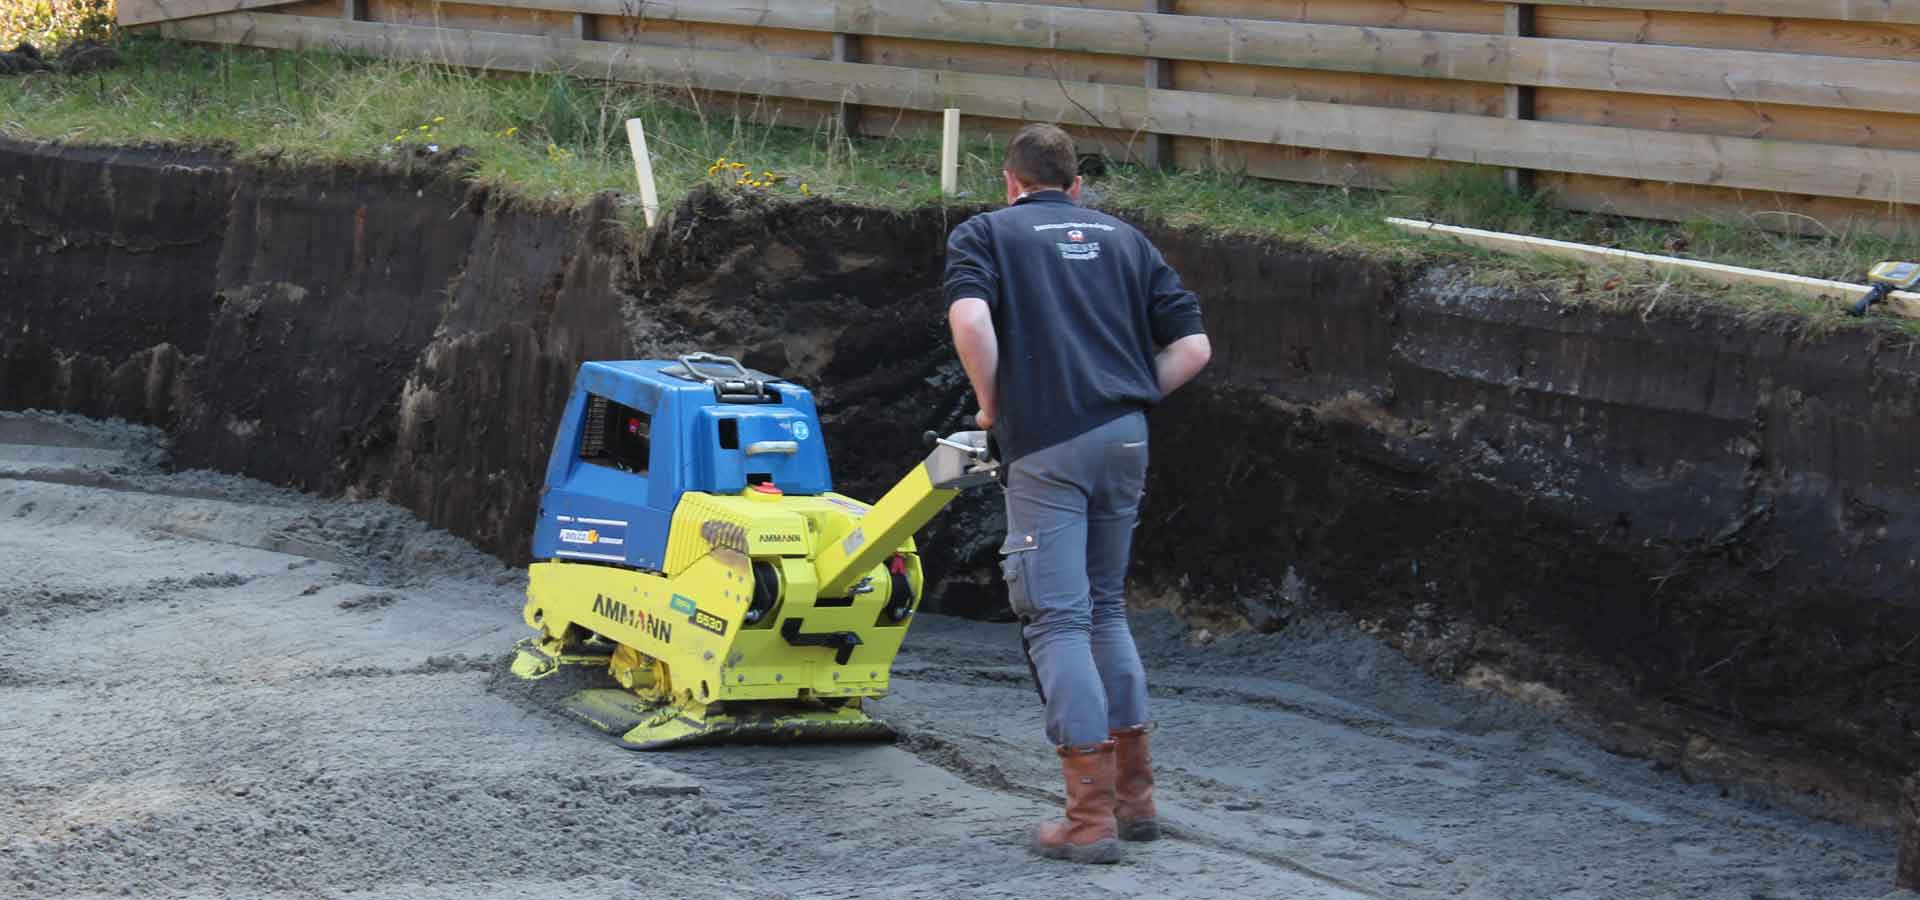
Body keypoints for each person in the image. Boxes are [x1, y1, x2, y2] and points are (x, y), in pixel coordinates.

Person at [943, 123, 1211, 864]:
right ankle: (1136, 802)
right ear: (1077, 186)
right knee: (1103, 609)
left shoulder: (985, 234)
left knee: (1057, 621)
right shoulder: (1125, 241)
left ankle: (1087, 822)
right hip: (1126, 439)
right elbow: (1195, 347)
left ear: (1010, 181)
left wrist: (996, 407)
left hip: (1048, 448)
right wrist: (1121, 399)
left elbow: (970, 318)